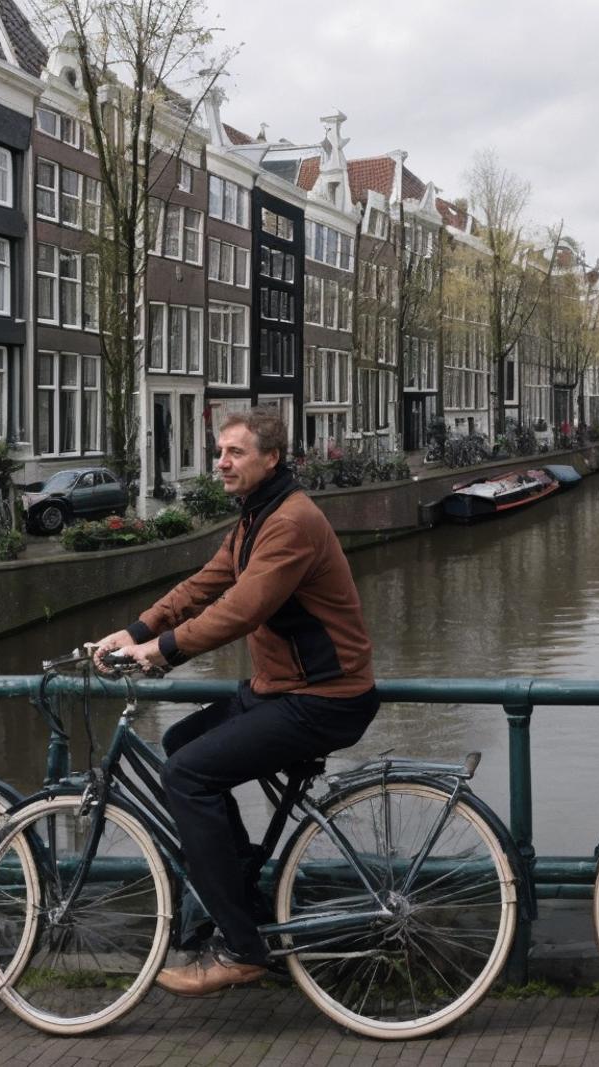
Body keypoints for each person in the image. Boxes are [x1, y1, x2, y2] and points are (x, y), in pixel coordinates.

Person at [92, 407, 379, 997]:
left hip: (324, 697)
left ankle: (241, 947)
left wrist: (161, 650)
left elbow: (242, 608)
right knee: (180, 743)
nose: (221, 462)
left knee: (187, 775)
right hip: (280, 689)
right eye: (219, 452)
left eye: (234, 453)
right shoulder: (256, 517)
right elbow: (207, 581)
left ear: (270, 458)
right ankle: (243, 893)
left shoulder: (291, 523)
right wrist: (138, 628)